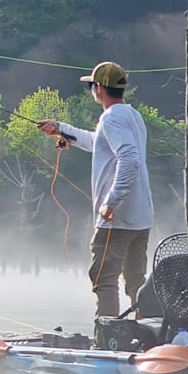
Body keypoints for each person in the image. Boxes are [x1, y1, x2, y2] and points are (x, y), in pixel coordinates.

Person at [37, 61, 155, 318]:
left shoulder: (112, 118)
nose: (91, 89)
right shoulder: (131, 115)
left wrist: (111, 202)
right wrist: (61, 129)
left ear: (99, 88)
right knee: (136, 281)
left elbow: (130, 158)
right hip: (141, 217)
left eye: (91, 85)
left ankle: (108, 339)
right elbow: (97, 142)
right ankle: (149, 332)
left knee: (103, 277)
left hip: (117, 219)